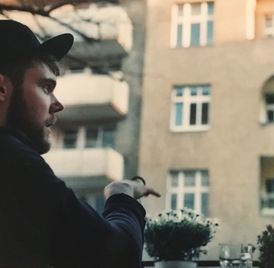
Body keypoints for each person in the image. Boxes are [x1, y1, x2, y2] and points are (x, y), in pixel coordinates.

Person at [0, 19, 160, 268]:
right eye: (45, 87)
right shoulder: (14, 163)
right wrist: (121, 195)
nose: (57, 104)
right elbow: (118, 257)